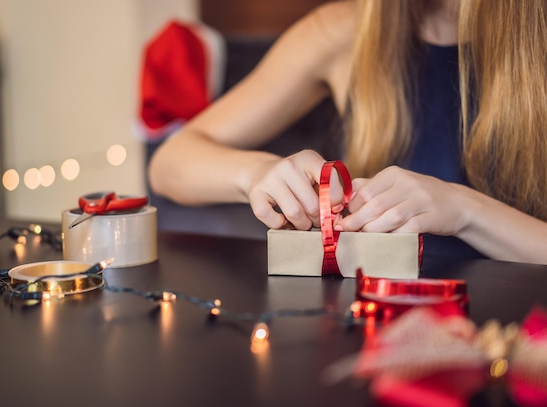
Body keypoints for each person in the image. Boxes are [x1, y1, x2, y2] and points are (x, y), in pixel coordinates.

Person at [148, 0, 547, 264]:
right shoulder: (343, 31)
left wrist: (466, 211)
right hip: (379, 330)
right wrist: (256, 174)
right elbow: (170, 162)